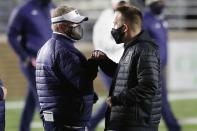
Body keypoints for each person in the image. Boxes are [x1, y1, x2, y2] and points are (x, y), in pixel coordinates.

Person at [90, 5, 161, 131]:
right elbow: (125, 76)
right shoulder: (132, 47)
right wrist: (104, 61)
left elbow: (148, 87)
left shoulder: (145, 50)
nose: (113, 28)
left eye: (115, 24)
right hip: (129, 122)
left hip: (137, 124)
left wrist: (118, 99)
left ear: (125, 28)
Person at [36, 5, 98, 131]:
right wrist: (94, 63)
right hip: (67, 122)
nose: (79, 27)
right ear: (62, 26)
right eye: (75, 24)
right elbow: (83, 83)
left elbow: (64, 81)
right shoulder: (64, 50)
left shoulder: (46, 47)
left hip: (55, 120)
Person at [7, 0, 55, 131]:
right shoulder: (23, 10)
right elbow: (11, 35)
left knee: (32, 100)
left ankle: (23, 128)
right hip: (33, 65)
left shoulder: (52, 7)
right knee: (46, 103)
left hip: (51, 63)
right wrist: (26, 58)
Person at [90, 0, 129, 130]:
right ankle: (91, 124)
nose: (122, 5)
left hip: (124, 64)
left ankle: (91, 124)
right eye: (119, 2)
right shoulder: (105, 17)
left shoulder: (130, 15)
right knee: (115, 98)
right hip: (108, 64)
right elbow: (102, 41)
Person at [143, 0, 181, 131]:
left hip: (159, 68)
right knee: (156, 103)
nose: (162, 4)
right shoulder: (145, 20)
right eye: (158, 1)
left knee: (161, 102)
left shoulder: (161, 20)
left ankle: (174, 127)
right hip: (151, 68)